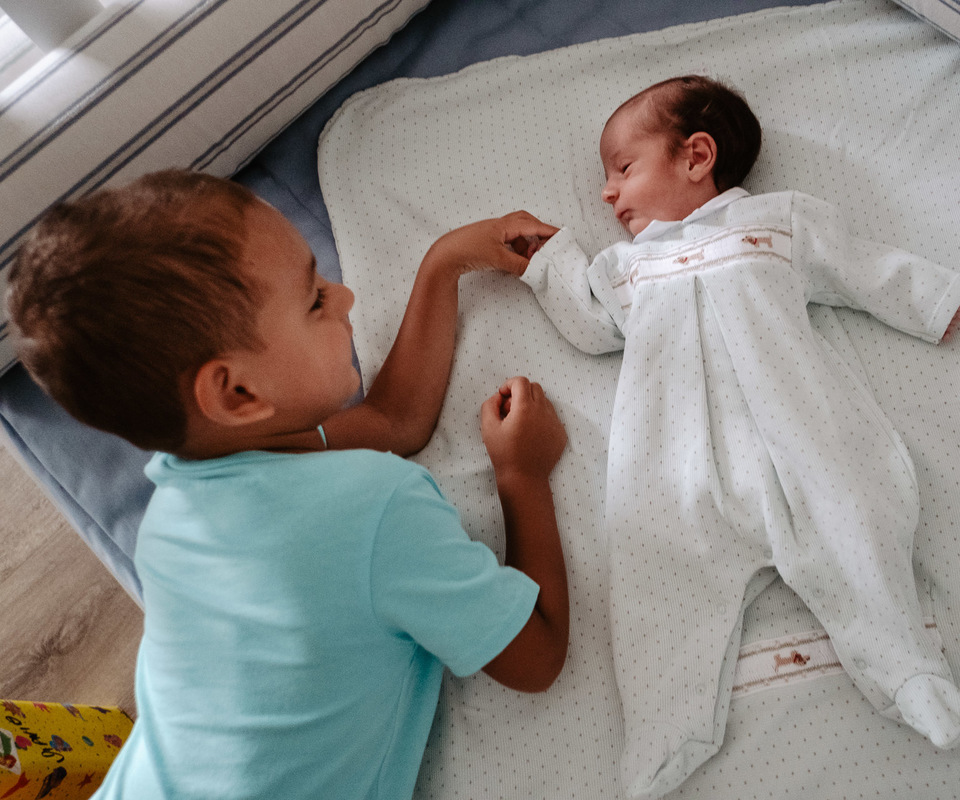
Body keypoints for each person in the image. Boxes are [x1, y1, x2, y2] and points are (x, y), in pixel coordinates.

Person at [5, 170, 569, 799]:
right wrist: (523, 475)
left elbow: (394, 421)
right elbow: (536, 656)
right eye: (314, 300)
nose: (346, 295)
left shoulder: (176, 506)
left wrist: (444, 263)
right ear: (239, 393)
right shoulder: (375, 505)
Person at [517, 75, 960, 799]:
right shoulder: (627, 267)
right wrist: (548, 263)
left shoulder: (778, 223)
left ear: (696, 157)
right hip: (676, 468)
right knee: (659, 585)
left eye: (623, 168)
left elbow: (859, 266)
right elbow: (589, 321)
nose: (606, 194)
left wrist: (929, 301)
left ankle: (906, 668)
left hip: (804, 440)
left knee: (856, 527)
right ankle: (668, 726)